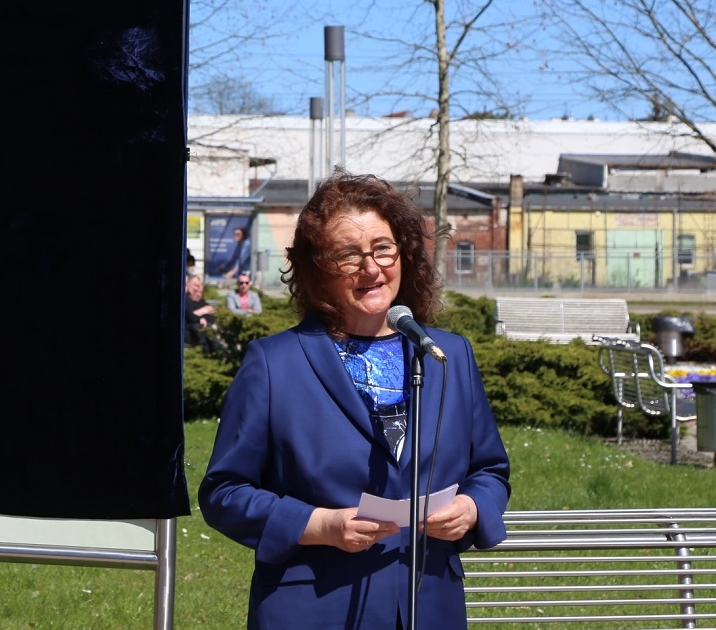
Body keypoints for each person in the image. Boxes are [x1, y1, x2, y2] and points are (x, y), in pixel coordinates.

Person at [199, 172, 510, 629]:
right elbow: (224, 493)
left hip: (429, 605)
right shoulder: (274, 363)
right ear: (317, 270)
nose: (371, 267)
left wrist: (473, 508)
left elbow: (490, 470)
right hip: (316, 608)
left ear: (405, 254)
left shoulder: (447, 355)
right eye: (347, 254)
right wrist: (317, 525)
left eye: (383, 248)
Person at [184, 274, 220, 350]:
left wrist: (199, 314)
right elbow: (190, 316)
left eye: (199, 287)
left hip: (204, 328)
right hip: (190, 332)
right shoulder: (185, 299)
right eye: (195, 285)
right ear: (188, 283)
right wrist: (202, 312)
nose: (197, 290)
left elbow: (211, 316)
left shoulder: (203, 303)